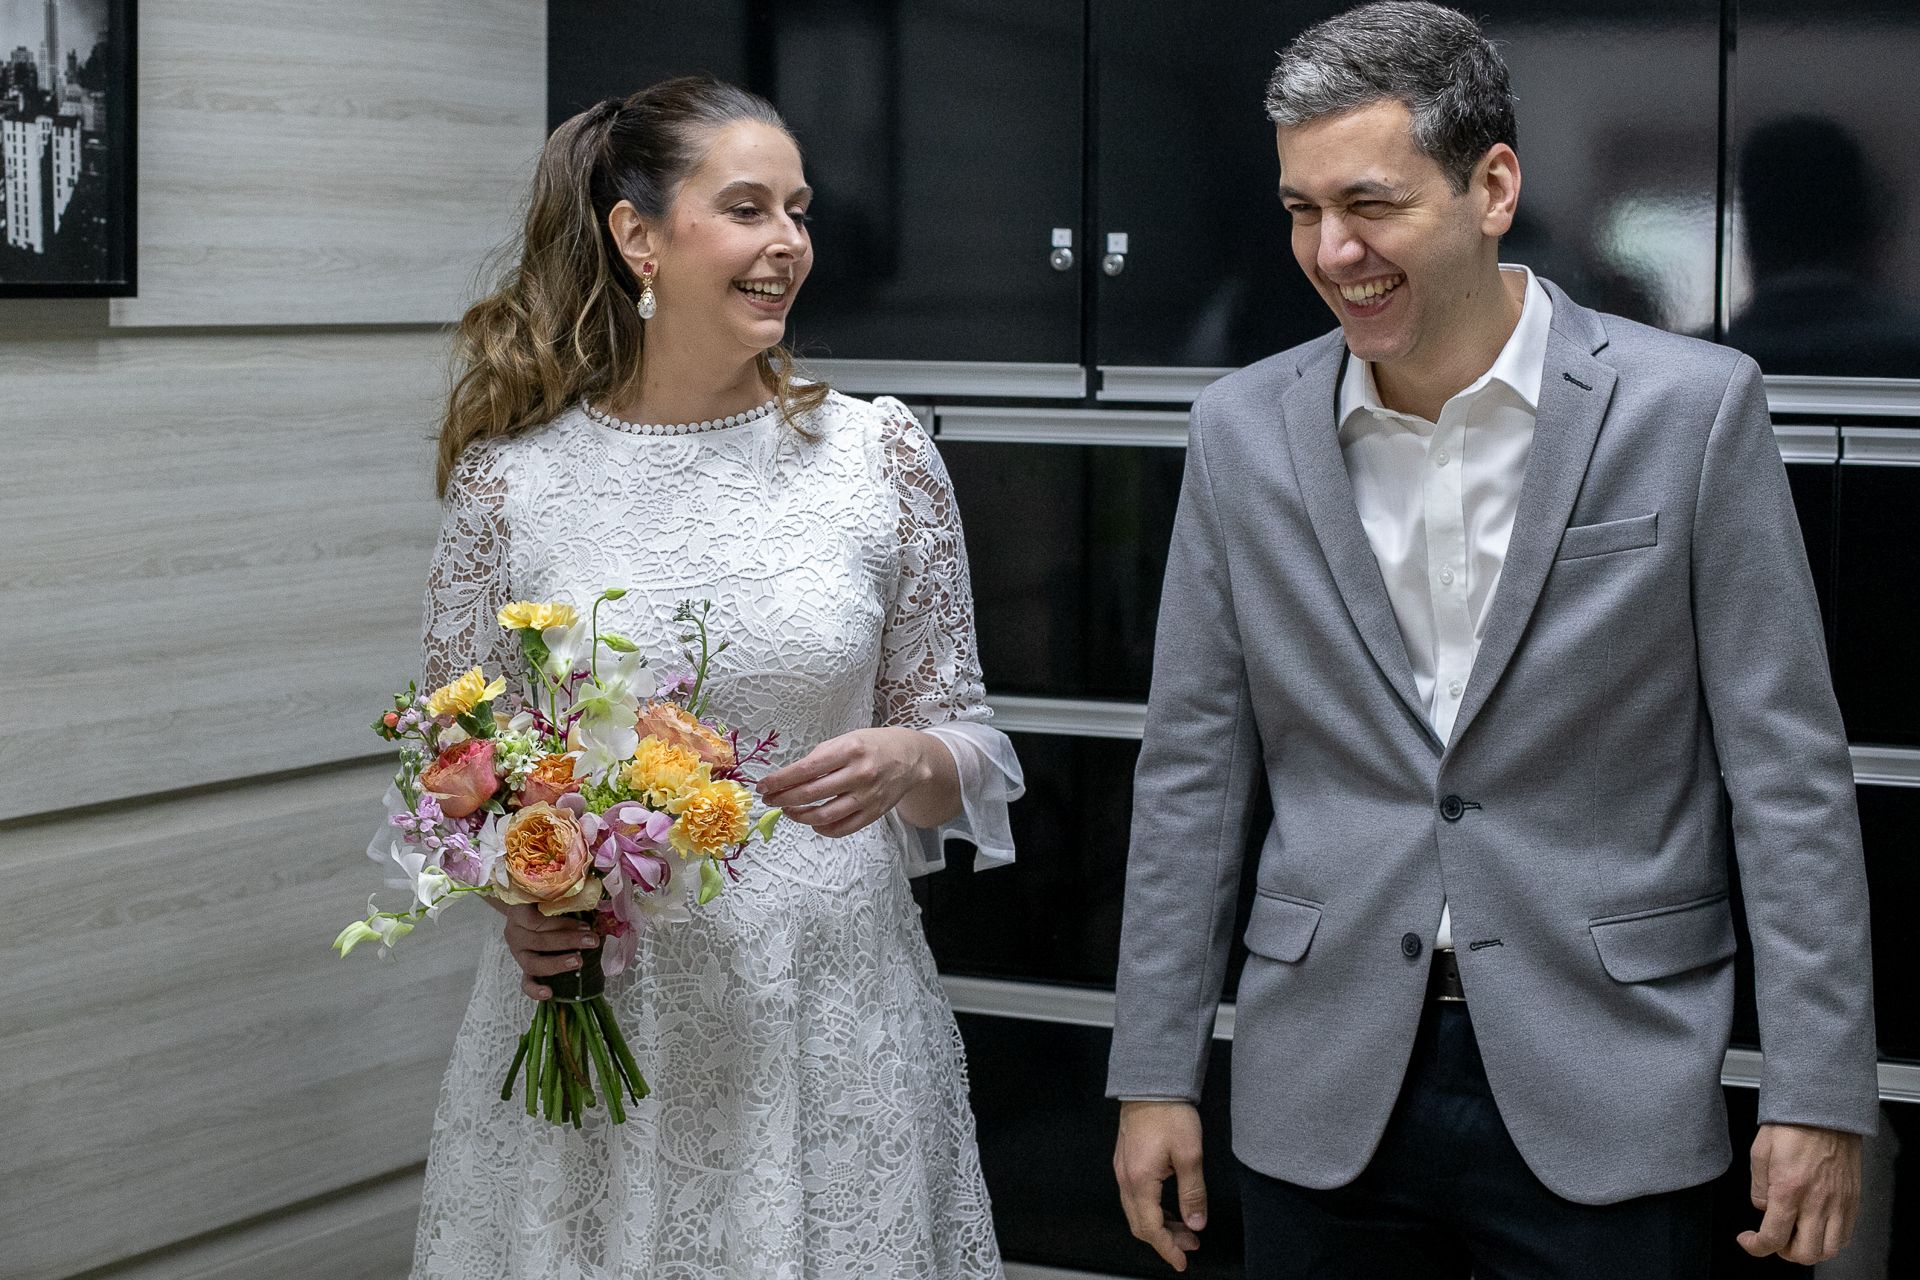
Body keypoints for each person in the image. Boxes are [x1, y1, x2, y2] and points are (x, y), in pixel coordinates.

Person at [1105, 4, 1877, 1277]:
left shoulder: (1690, 412)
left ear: (1493, 186)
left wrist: (1817, 1085)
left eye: (1370, 204)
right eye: (1301, 209)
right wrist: (1153, 1070)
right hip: (1321, 1079)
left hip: (1611, 1069)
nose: (1331, 249)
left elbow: (1785, 773)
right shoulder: (1239, 431)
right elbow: (1193, 769)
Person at [410, 76, 1023, 1278]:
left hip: (833, 1013)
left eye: (797, 210)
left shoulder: (879, 453)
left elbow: (973, 744)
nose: (787, 243)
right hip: (602, 1013)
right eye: (747, 208)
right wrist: (514, 894)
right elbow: (451, 775)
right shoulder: (512, 486)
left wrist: (917, 757)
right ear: (638, 234)